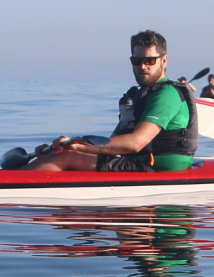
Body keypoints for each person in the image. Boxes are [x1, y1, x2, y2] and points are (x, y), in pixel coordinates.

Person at [23, 30, 199, 172]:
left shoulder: (167, 94)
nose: (143, 66)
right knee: (58, 156)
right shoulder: (139, 97)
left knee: (66, 158)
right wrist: (64, 147)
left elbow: (135, 143)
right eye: (137, 61)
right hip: (138, 165)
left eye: (150, 60)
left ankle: (10, 188)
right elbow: (111, 143)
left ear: (164, 61)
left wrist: (76, 149)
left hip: (157, 169)